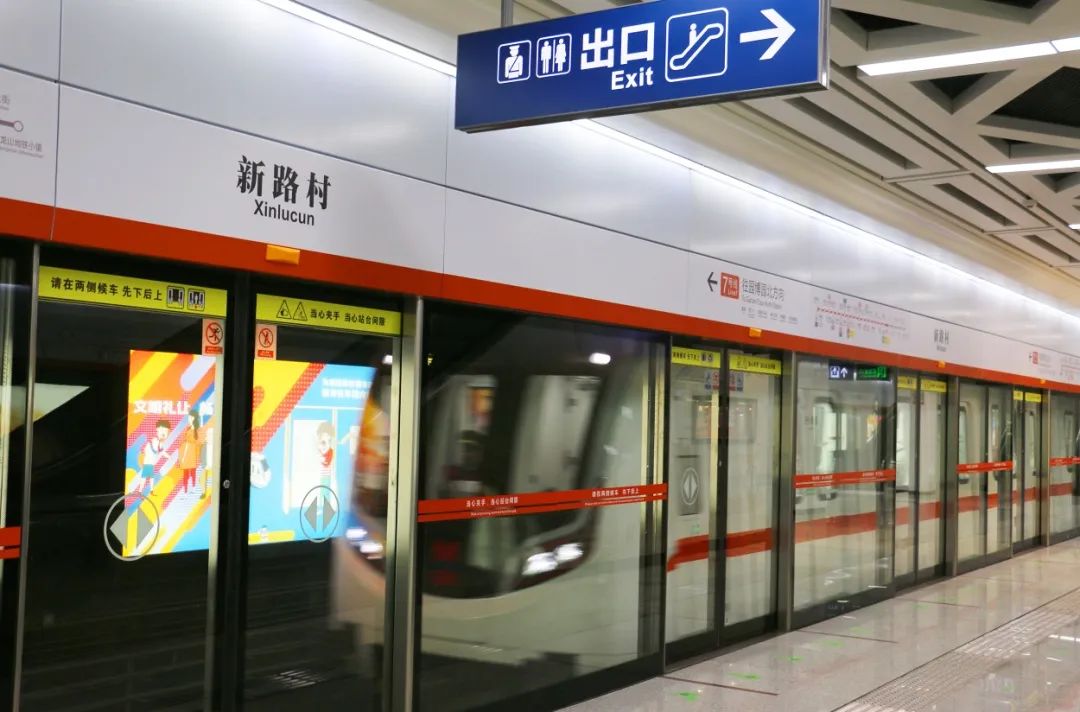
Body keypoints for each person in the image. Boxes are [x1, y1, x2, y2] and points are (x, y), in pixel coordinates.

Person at [178, 405, 207, 495]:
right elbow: (182, 440)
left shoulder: (198, 430)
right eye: (188, 417)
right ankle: (185, 491)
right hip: (186, 453)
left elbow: (200, 442)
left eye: (190, 417)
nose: (189, 419)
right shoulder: (187, 428)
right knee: (186, 473)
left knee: (192, 472)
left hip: (193, 454)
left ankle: (193, 489)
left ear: (194, 418)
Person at [138, 419, 171, 497]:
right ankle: (140, 492)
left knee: (151, 478)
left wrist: (168, 456)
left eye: (166, 432)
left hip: (150, 464)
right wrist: (168, 456)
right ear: (157, 430)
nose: (164, 434)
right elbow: (160, 451)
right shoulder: (155, 441)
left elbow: (160, 451)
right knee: (145, 478)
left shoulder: (158, 441)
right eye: (162, 431)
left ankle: (150, 491)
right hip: (147, 464)